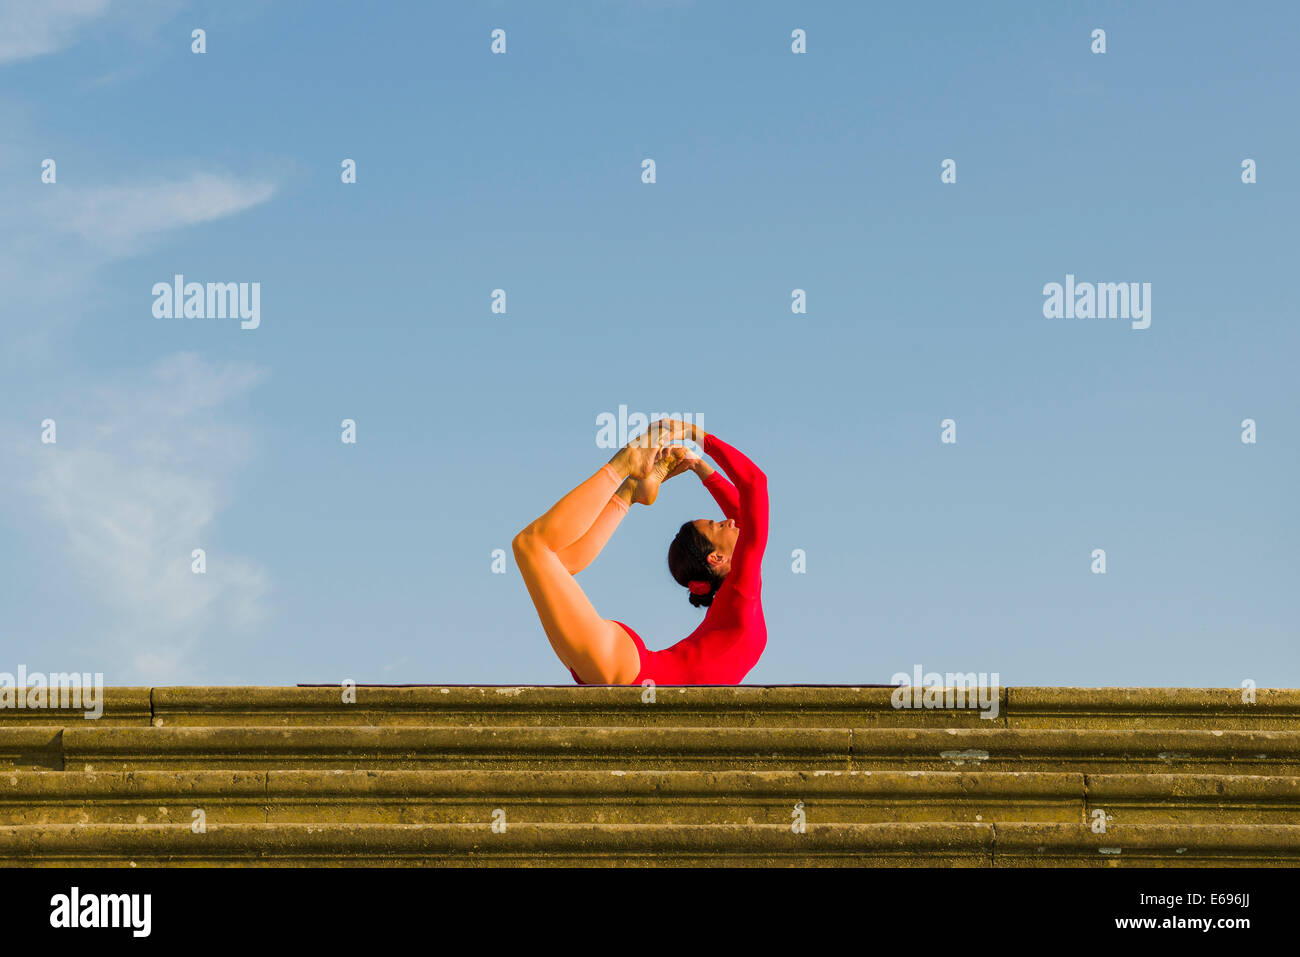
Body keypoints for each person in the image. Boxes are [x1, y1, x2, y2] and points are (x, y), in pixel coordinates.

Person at [511, 418, 768, 685]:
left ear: (716, 559)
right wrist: (696, 462)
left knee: (545, 558)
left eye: (717, 523)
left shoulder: (742, 591)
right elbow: (752, 499)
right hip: (629, 666)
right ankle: (625, 469)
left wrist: (698, 437)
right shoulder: (741, 596)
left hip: (629, 667)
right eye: (719, 523)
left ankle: (629, 486)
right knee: (535, 551)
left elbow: (751, 497)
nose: (729, 520)